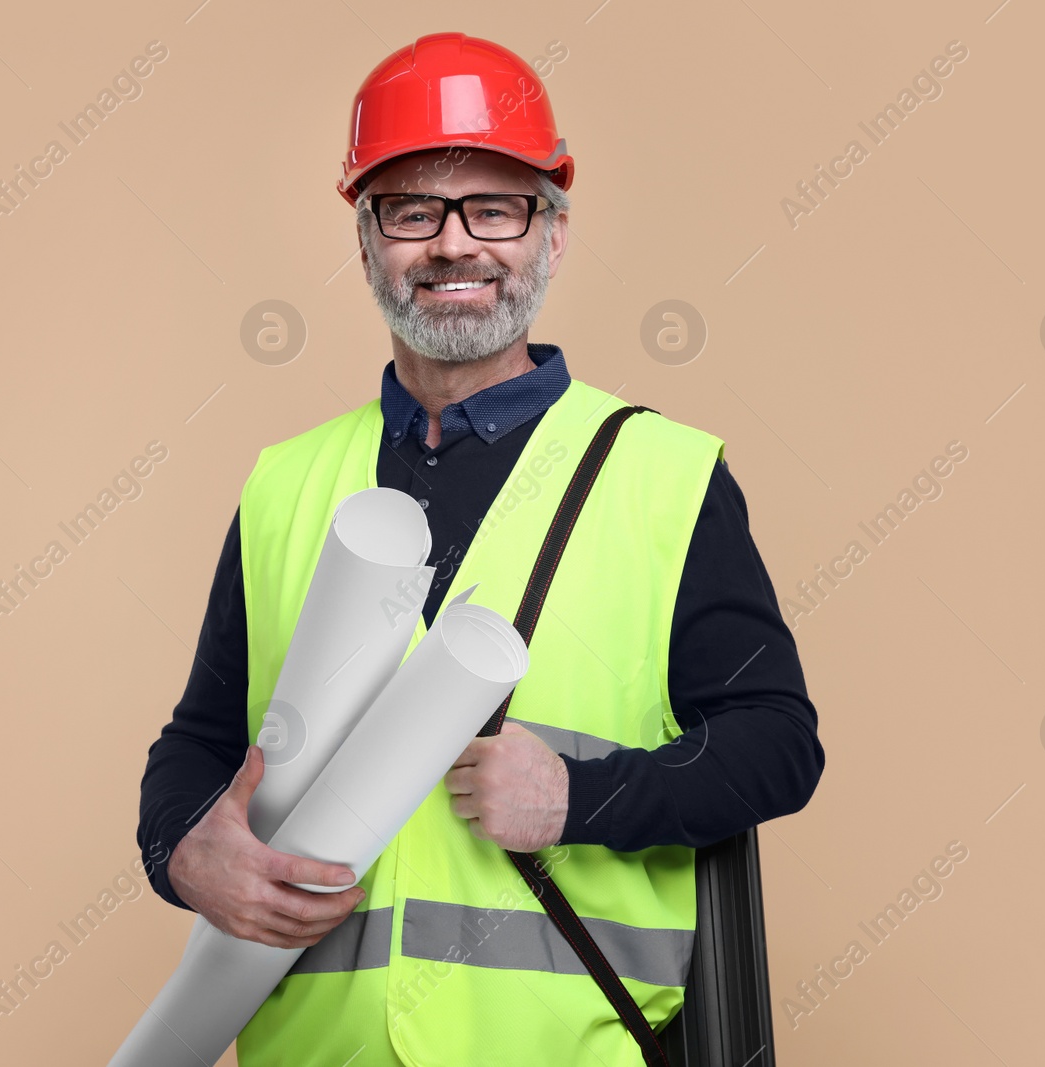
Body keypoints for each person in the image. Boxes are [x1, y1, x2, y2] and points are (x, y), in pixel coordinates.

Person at [137, 30, 824, 1067]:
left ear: (551, 229)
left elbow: (778, 742)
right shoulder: (285, 486)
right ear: (366, 239)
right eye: (412, 210)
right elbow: (196, 741)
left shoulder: (665, 478)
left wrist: (581, 796)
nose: (453, 245)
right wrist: (186, 849)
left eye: (493, 206)